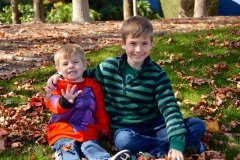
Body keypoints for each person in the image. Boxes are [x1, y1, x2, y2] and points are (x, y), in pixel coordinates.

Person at [46, 16, 206, 160]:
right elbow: (81, 74)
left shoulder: (157, 75)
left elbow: (170, 108)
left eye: (144, 44)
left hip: (156, 125)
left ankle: (161, 149)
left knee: (197, 125)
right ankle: (179, 145)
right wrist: (58, 75)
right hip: (126, 129)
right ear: (123, 44)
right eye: (133, 44)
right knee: (123, 141)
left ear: (151, 44)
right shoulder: (108, 67)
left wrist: (176, 144)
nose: (138, 50)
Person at [44, 44, 131, 160]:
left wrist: (105, 130)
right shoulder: (57, 85)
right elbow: (50, 101)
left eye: (75, 62)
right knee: (68, 148)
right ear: (58, 70)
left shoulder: (93, 85)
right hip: (62, 130)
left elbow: (100, 109)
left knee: (92, 147)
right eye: (65, 64)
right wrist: (64, 102)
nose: (70, 66)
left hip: (87, 130)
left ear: (84, 65)